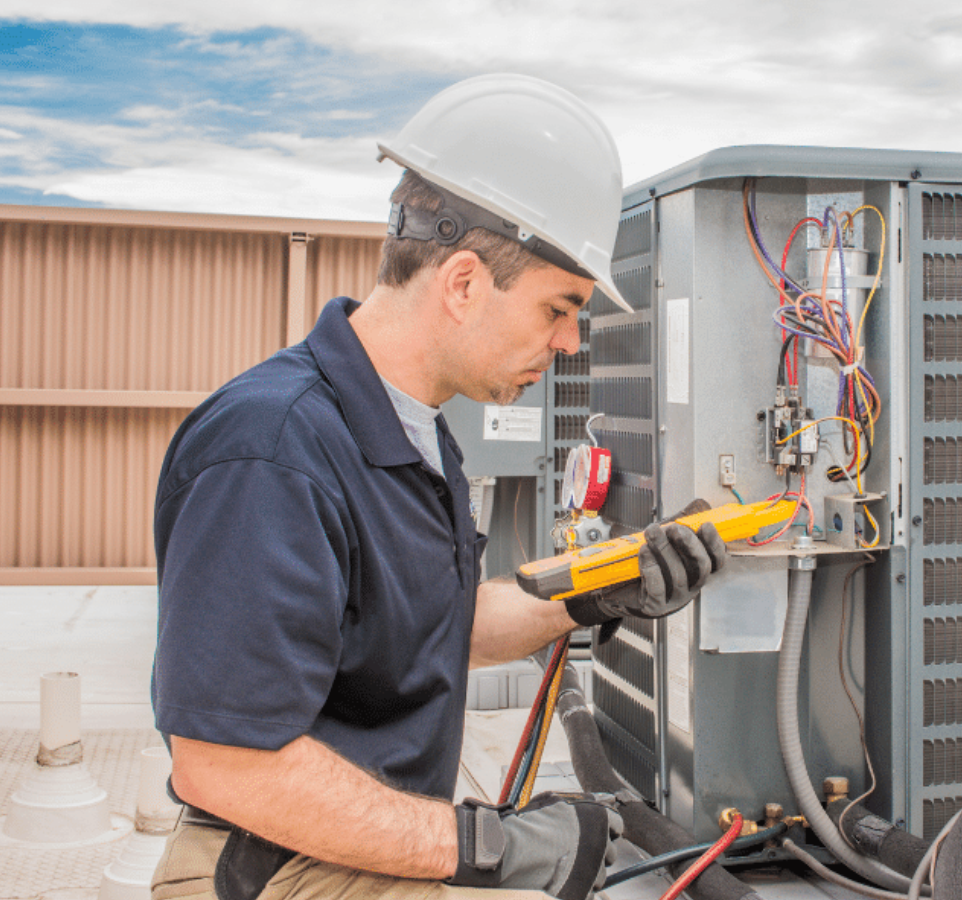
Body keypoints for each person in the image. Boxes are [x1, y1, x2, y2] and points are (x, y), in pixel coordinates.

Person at [149, 74, 727, 900]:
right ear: (462, 283)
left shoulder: (413, 433)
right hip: (273, 863)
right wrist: (486, 846)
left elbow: (438, 630)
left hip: (351, 845)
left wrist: (609, 585)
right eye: (558, 309)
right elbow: (223, 764)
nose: (569, 343)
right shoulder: (272, 451)